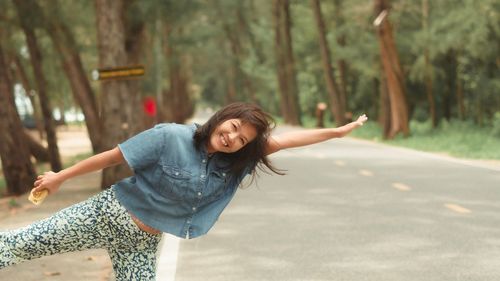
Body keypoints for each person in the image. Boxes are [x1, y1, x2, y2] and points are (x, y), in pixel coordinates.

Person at [0, 102, 368, 280]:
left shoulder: (232, 162)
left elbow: (286, 141)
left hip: (143, 240)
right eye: (233, 126)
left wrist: (335, 133)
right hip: (105, 216)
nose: (232, 137)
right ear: (224, 116)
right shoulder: (169, 136)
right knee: (20, 244)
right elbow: (112, 157)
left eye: (241, 140)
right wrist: (60, 177)